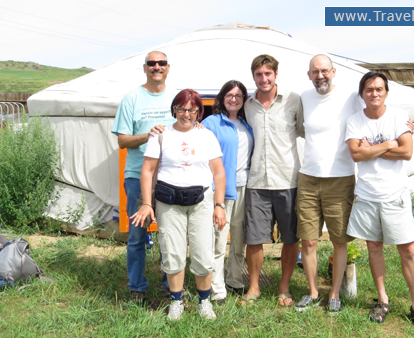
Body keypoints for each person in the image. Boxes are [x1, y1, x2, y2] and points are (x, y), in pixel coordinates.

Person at [345, 71, 414, 329]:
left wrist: (372, 148)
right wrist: (389, 144)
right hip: (366, 194)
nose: (374, 93)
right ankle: (383, 300)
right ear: (362, 94)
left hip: (394, 193)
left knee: (408, 250)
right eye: (369, 89)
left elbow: (407, 151)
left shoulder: (398, 116)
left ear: (386, 92)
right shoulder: (354, 121)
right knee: (373, 247)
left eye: (379, 89)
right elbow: (356, 154)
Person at [130, 89, 227, 321]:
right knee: (172, 252)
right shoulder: (161, 135)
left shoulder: (206, 136)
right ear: (174, 109)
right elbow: (148, 170)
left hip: (201, 201)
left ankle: (204, 301)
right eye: (182, 108)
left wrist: (219, 204)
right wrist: (146, 203)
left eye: (192, 109)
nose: (186, 114)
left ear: (198, 112)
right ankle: (176, 301)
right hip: (169, 201)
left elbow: (219, 172)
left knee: (203, 252)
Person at [296, 55, 359, 314]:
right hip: (308, 178)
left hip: (340, 178)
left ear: (334, 72)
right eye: (315, 72)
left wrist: (403, 125)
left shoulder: (351, 97)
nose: (320, 75)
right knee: (308, 240)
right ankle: (312, 292)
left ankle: (334, 293)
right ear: (308, 75)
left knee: (339, 240)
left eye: (324, 71)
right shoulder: (303, 98)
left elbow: (380, 108)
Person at [111, 51, 174, 304]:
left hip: (171, 177)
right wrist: (147, 136)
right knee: (137, 236)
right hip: (137, 176)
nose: (156, 67)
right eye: (152, 63)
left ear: (168, 68)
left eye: (161, 63)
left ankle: (170, 284)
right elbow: (123, 140)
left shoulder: (176, 97)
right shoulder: (132, 99)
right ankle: (137, 286)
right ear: (145, 68)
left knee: (170, 234)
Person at [242, 54, 304, 306]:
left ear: (276, 74)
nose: (263, 78)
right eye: (258, 74)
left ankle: (284, 287)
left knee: (290, 238)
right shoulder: (247, 105)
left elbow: (308, 129)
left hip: (288, 179)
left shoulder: (293, 100)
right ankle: (254, 287)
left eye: (268, 73)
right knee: (254, 238)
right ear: (253, 76)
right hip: (256, 181)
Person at [201, 80, 254, 304]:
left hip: (245, 187)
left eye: (239, 95)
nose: (234, 99)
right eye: (230, 95)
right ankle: (217, 288)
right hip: (221, 190)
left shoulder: (246, 123)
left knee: (239, 238)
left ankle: (234, 279)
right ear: (222, 98)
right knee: (219, 241)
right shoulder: (211, 123)